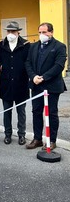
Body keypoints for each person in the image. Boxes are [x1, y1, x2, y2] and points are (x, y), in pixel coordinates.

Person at [25, 22, 67, 150]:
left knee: (52, 113)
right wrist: (33, 77)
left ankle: (52, 141)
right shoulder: (33, 46)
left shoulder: (60, 46)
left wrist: (43, 78)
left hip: (52, 86)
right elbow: (28, 63)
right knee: (36, 112)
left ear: (51, 32)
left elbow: (59, 66)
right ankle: (37, 139)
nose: (42, 35)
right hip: (36, 85)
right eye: (40, 32)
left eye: (44, 32)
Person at [0, 21, 30, 145]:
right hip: (6, 85)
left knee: (21, 112)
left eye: (13, 31)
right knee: (6, 111)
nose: (10, 34)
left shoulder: (26, 45)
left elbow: (29, 62)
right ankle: (8, 135)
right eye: (8, 31)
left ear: (18, 32)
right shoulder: (1, 45)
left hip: (21, 84)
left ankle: (22, 135)